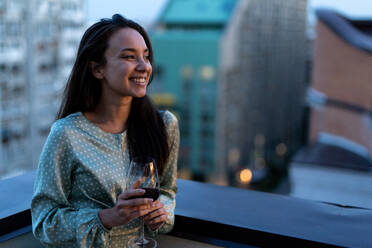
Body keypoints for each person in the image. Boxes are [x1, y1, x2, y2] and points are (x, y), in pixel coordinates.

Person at [31, 14, 179, 248]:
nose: (144, 67)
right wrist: (107, 218)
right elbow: (43, 222)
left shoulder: (164, 125)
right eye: (129, 57)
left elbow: (168, 190)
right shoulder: (66, 134)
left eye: (146, 57)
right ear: (97, 69)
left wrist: (163, 213)